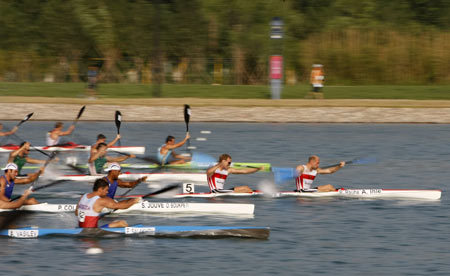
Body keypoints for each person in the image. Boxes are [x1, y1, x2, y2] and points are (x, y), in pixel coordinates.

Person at [75, 178, 141, 228]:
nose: (107, 192)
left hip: (80, 228)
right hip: (92, 232)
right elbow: (121, 206)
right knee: (122, 223)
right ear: (100, 189)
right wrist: (134, 201)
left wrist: (94, 215)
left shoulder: (83, 196)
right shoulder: (101, 200)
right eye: (106, 190)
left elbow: (76, 213)